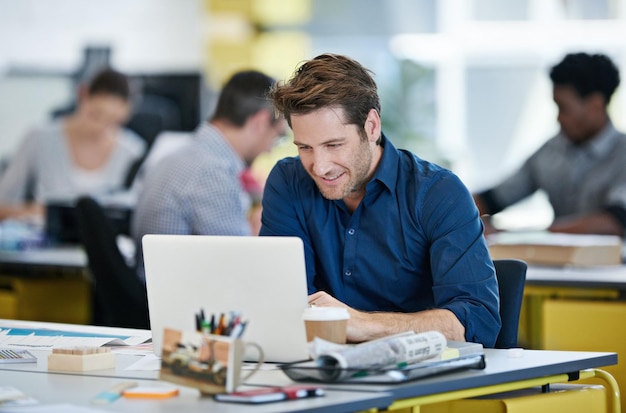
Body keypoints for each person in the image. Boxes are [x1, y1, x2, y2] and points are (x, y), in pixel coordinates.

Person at [260, 54, 500, 346]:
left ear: (371, 126)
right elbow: (285, 305)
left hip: (419, 379)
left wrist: (361, 324)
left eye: (333, 145)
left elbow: (478, 320)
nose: (319, 166)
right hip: (322, 372)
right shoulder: (288, 183)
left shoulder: (438, 193)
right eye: (305, 148)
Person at [131, 70, 286, 282]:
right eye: (277, 136)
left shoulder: (184, 154)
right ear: (260, 122)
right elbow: (242, 265)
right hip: (181, 302)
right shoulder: (212, 171)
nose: (270, 149)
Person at [473, 52, 626, 236]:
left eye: (563, 108)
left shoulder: (622, 154)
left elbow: (614, 223)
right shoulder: (551, 151)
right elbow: (494, 198)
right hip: (557, 263)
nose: (559, 118)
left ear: (595, 105)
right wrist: (450, 210)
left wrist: (520, 235)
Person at [0, 68, 145, 221]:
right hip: (46, 239)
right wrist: (40, 212)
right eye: (96, 114)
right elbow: (3, 205)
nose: (100, 127)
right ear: (83, 94)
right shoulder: (38, 137)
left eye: (112, 120)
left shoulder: (133, 151)